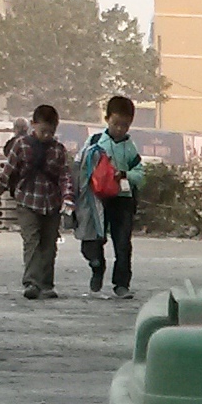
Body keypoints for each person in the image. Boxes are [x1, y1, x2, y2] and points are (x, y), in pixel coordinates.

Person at [76, 94, 144, 298]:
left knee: (123, 244)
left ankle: (121, 284)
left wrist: (124, 174)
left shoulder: (130, 148)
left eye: (125, 125)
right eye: (116, 124)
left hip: (123, 199)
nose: (120, 129)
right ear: (106, 119)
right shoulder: (95, 141)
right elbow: (79, 165)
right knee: (93, 238)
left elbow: (140, 174)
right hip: (97, 199)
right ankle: (97, 266)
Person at [0, 102, 69, 301]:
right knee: (31, 241)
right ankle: (31, 282)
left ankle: (46, 284)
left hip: (51, 203)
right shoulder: (21, 145)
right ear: (33, 124)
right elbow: (9, 170)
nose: (47, 135)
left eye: (51, 132)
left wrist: (68, 197)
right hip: (27, 201)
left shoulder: (59, 150)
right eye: (43, 130)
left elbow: (64, 176)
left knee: (49, 245)